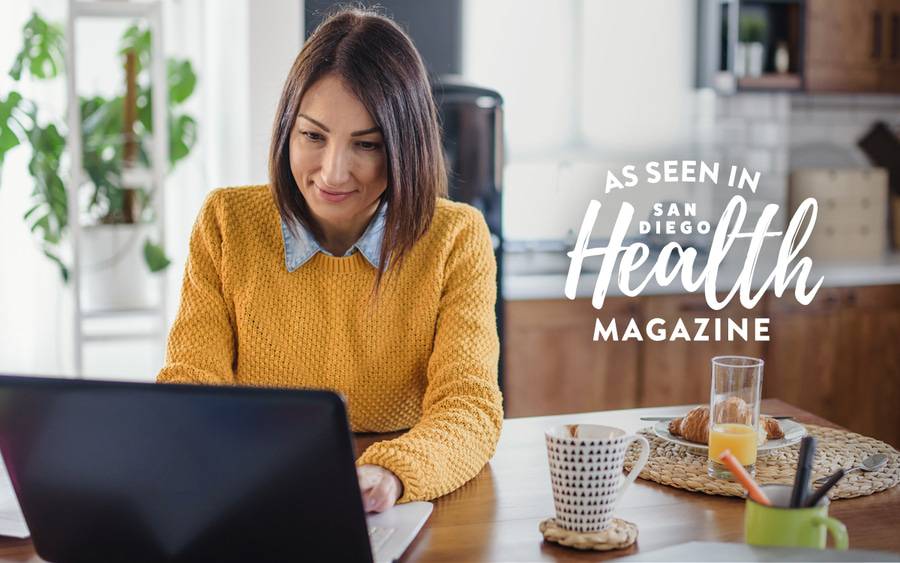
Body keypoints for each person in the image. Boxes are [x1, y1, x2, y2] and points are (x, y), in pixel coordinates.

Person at [157, 7, 503, 513]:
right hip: (254, 490)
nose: (333, 172)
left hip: (397, 502)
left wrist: (392, 471)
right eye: (313, 136)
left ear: (406, 149)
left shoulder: (455, 237)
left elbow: (470, 406)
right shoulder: (226, 222)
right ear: (286, 130)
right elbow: (192, 385)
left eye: (366, 145)